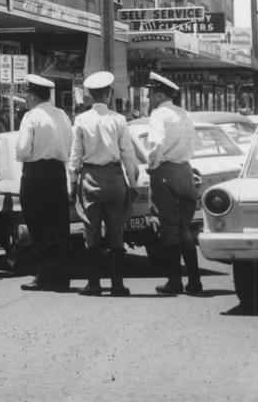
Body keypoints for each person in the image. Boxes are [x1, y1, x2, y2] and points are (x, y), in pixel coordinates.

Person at [69, 71, 140, 297]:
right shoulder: (118, 120)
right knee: (116, 230)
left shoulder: (81, 120)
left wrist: (72, 182)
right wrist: (133, 182)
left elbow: (75, 155)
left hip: (90, 177)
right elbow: (128, 154)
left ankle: (94, 284)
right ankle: (117, 284)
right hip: (115, 178)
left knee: (91, 230)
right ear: (109, 94)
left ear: (90, 95)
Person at [143, 72, 201, 296]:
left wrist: (152, 164)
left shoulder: (159, 114)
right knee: (184, 227)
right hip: (185, 170)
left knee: (169, 228)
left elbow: (156, 144)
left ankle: (175, 281)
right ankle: (194, 281)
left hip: (165, 170)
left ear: (159, 95)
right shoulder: (184, 114)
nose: (148, 99)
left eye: (150, 95)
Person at [16, 75, 74, 292]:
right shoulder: (62, 115)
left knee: (38, 226)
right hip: (58, 172)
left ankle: (44, 276)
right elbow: (69, 146)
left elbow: (22, 149)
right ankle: (62, 277)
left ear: (32, 95)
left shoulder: (31, 117)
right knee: (58, 226)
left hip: (36, 173)